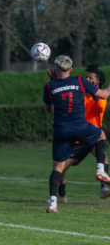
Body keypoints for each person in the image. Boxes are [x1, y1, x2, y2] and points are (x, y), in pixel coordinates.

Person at [43, 55, 110, 213]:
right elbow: (103, 94)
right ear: (71, 69)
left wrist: (55, 83)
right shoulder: (80, 82)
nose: (88, 78)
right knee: (101, 136)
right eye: (88, 77)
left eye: (91, 77)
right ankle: (99, 172)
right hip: (83, 131)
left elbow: (48, 109)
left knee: (57, 167)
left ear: (56, 68)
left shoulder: (49, 85)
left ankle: (53, 203)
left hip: (64, 131)